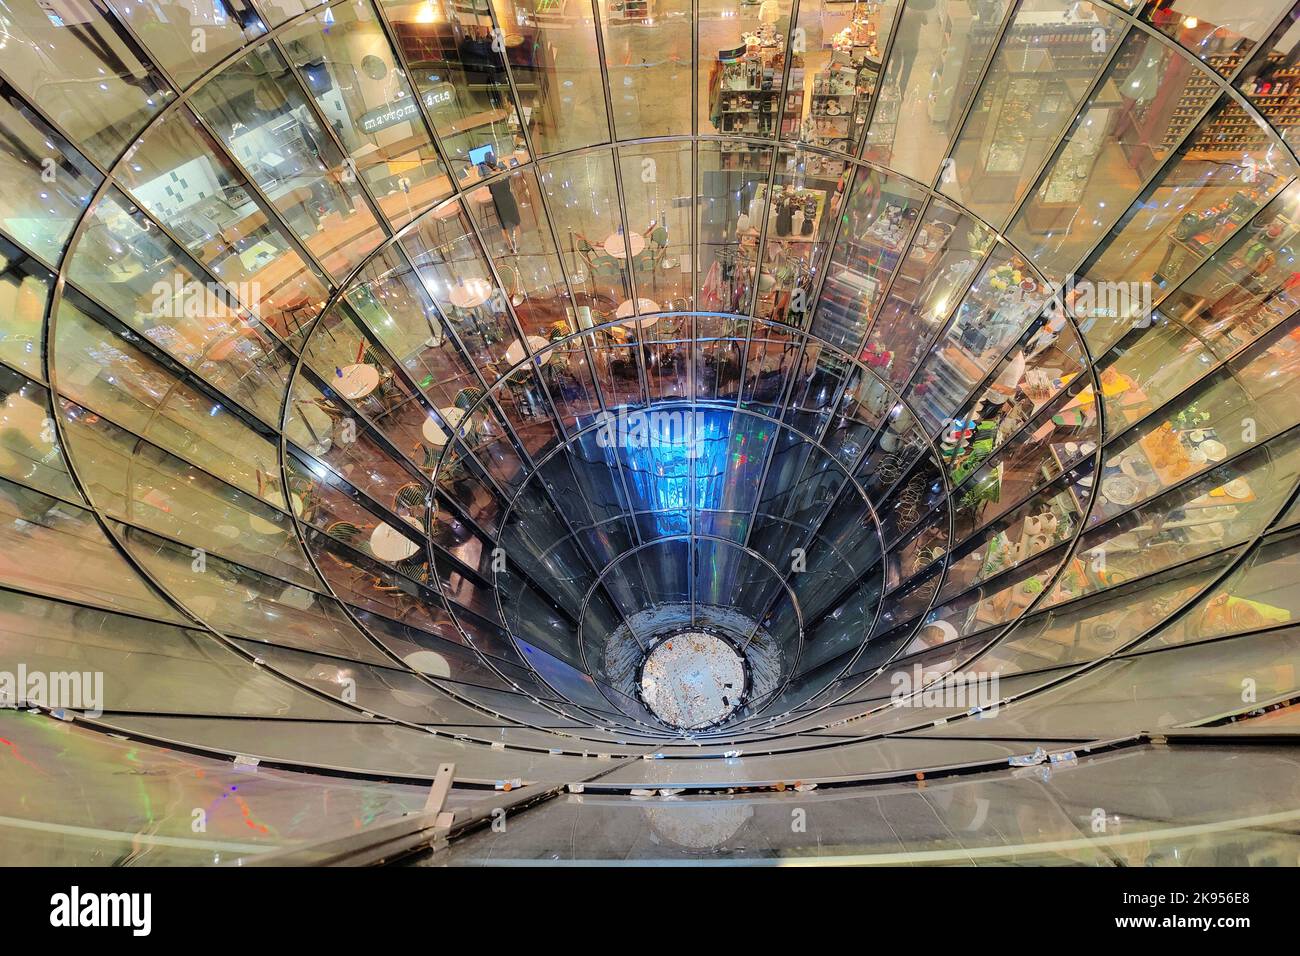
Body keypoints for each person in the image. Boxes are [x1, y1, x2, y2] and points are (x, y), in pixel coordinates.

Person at [478, 150, 521, 252]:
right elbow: (510, 174)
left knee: (504, 228)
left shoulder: (485, 174)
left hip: (498, 202)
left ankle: (511, 248)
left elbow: (482, 181)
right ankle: (517, 246)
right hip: (508, 198)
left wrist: (482, 167)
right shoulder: (503, 169)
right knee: (516, 224)